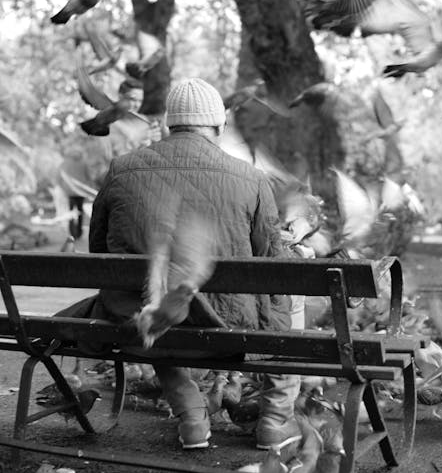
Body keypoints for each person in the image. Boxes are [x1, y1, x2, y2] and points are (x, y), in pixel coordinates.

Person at [87, 77, 302, 451]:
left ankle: (191, 417)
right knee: (292, 295)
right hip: (229, 329)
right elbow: (273, 263)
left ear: (171, 125)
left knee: (148, 300)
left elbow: (98, 251)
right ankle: (274, 420)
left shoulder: (122, 168)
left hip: (145, 326)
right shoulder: (250, 178)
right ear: (218, 125)